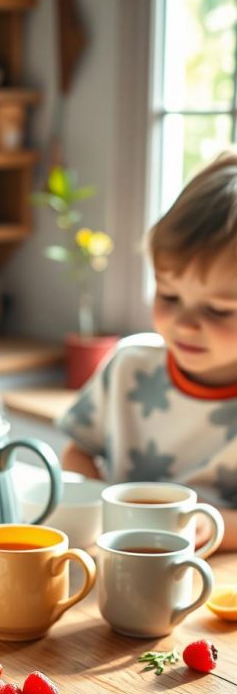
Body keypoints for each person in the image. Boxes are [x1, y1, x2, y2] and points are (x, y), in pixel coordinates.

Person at [58, 150, 237, 549]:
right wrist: (100, 504)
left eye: (218, 310)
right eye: (169, 296)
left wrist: (213, 528)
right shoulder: (130, 365)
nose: (185, 323)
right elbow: (77, 451)